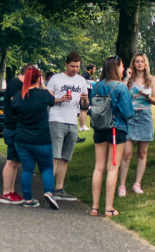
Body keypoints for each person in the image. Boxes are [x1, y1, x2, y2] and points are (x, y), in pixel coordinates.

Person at [88, 57, 133, 217]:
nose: (123, 69)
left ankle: (94, 207)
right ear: (116, 68)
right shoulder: (121, 88)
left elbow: (91, 108)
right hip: (116, 129)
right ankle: (108, 208)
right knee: (112, 167)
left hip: (99, 128)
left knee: (98, 167)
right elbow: (128, 112)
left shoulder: (97, 86)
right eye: (122, 66)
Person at [11, 66, 60, 209]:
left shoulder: (19, 95)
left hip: (22, 139)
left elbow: (14, 112)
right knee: (46, 167)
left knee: (27, 169)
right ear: (39, 79)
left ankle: (28, 199)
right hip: (41, 138)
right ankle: (49, 192)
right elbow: (52, 101)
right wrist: (43, 85)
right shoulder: (44, 95)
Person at [44, 52, 88, 200]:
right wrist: (60, 99)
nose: (75, 69)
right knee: (55, 156)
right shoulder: (56, 79)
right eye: (72, 66)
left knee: (65, 157)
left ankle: (59, 188)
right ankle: (49, 189)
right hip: (57, 119)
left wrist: (85, 100)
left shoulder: (81, 81)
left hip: (72, 121)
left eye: (77, 66)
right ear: (66, 64)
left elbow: (85, 105)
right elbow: (47, 99)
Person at [117, 53, 155, 196]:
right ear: (133, 64)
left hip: (145, 115)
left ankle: (137, 183)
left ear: (146, 63)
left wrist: (148, 96)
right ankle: (121, 185)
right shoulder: (130, 80)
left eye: (142, 61)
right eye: (137, 62)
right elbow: (120, 91)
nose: (140, 64)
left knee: (142, 152)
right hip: (130, 115)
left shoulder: (152, 79)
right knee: (126, 153)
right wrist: (127, 77)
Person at [0, 66, 27, 204]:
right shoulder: (16, 84)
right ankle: (6, 192)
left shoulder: (16, 83)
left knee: (15, 161)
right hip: (13, 126)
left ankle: (11, 191)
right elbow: (17, 103)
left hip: (15, 126)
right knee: (11, 161)